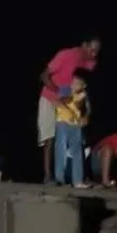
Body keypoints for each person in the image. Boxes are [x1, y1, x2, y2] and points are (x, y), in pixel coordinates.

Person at [38, 36, 100, 183]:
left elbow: (88, 92)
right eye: (91, 50)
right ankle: (48, 176)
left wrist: (87, 113)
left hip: (74, 103)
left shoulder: (91, 63)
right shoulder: (66, 55)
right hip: (52, 98)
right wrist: (58, 92)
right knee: (50, 137)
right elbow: (44, 76)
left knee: (79, 139)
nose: (94, 54)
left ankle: (80, 175)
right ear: (84, 44)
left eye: (97, 51)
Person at [54, 71, 91, 188]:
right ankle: (60, 179)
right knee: (61, 149)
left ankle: (78, 181)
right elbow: (62, 100)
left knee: (77, 152)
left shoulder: (84, 95)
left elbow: (86, 109)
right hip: (63, 122)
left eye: (77, 83)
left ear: (84, 85)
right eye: (73, 82)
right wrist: (72, 94)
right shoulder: (66, 89)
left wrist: (85, 117)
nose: (74, 84)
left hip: (76, 124)